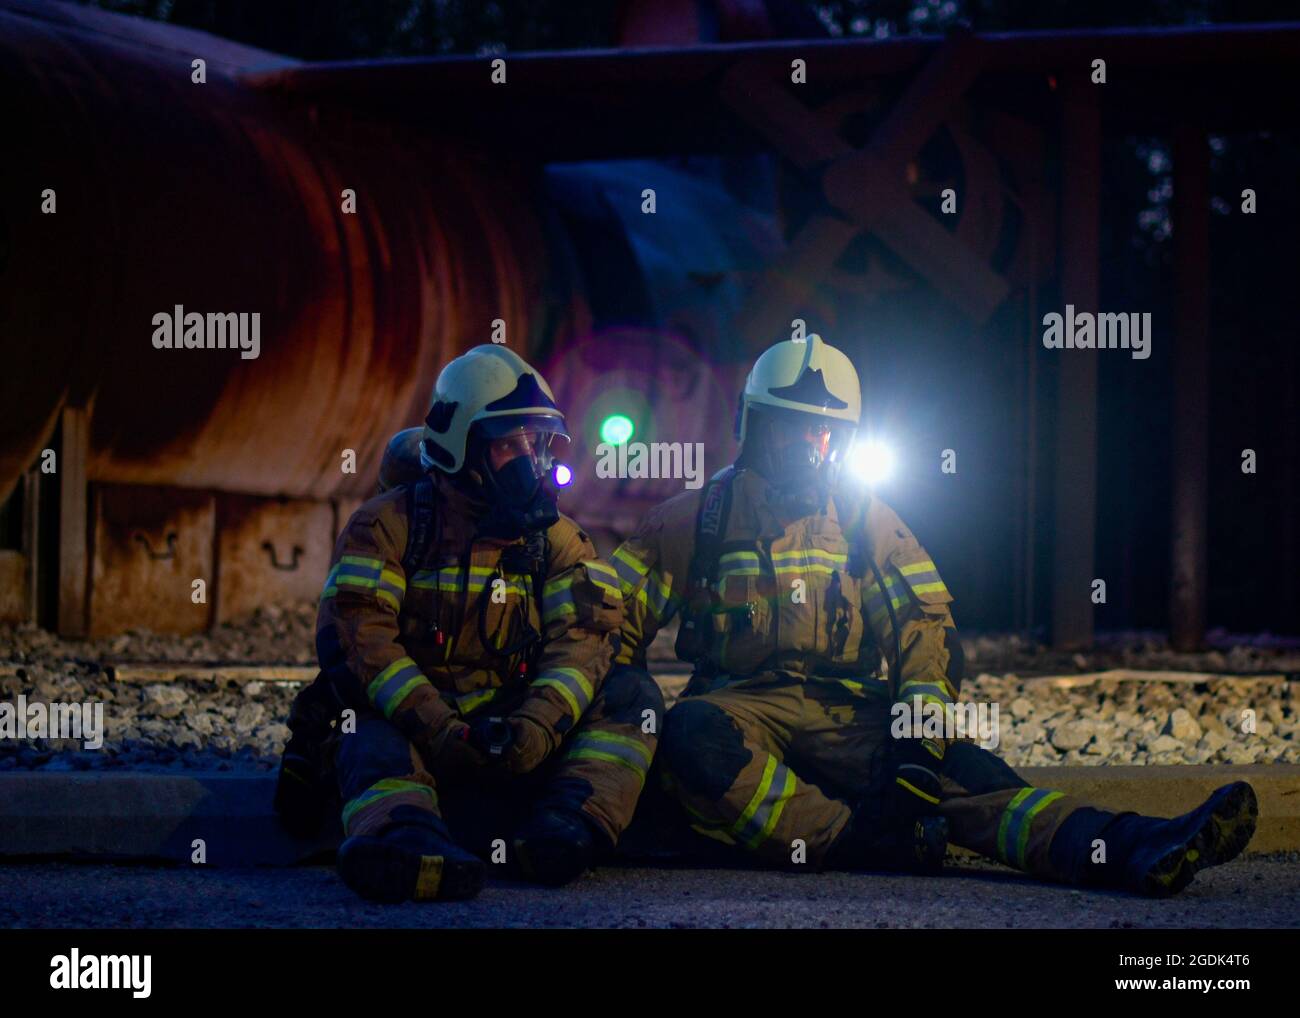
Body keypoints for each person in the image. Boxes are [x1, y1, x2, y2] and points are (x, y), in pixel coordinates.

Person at [608, 333, 1256, 896]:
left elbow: (925, 627)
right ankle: (859, 842)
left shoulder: (865, 518)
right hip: (736, 710)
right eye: (797, 426)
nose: (816, 444)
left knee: (971, 779)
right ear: (755, 426)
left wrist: (917, 743)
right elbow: (609, 626)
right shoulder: (699, 518)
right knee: (691, 736)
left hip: (846, 714)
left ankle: (1134, 847)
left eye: (829, 430)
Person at [294, 344, 662, 902]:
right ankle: (408, 839)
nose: (528, 461)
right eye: (507, 445)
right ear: (459, 448)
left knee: (633, 693)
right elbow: (359, 641)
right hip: (424, 730)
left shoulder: (558, 540)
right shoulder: (389, 526)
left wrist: (537, 728)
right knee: (363, 726)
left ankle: (563, 829)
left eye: (534, 444)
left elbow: (584, 643)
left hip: (519, 734)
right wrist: (439, 728)